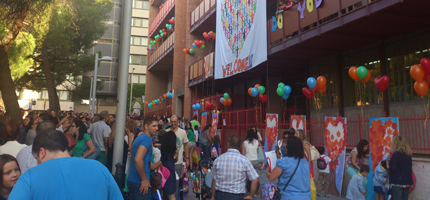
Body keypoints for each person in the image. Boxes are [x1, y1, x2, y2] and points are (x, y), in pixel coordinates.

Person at [8, 130, 123, 199]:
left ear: (42, 152)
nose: (37, 162)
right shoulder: (99, 169)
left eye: (36, 157)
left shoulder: (29, 177)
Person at [211, 135, 259, 200]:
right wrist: (251, 195)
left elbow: (214, 179)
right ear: (239, 146)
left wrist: (213, 196)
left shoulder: (218, 159)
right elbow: (255, 180)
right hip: (236, 196)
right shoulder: (244, 160)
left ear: (228, 144)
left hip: (219, 195)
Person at [128, 116, 162, 200]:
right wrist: (144, 179)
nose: (156, 128)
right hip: (139, 182)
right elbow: (138, 159)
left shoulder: (140, 137)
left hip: (133, 180)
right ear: (146, 126)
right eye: (154, 126)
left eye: (157, 126)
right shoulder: (146, 139)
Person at [167, 115, 189, 198]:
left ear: (178, 122)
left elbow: (186, 145)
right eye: (172, 122)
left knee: (176, 184)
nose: (173, 123)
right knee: (168, 184)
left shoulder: (182, 132)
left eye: (175, 122)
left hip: (178, 162)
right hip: (168, 163)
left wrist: (187, 158)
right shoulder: (167, 132)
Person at [388, 135, 413, 200]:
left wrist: (389, 165)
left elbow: (393, 168)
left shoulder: (396, 154)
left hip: (397, 182)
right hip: (407, 181)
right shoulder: (408, 154)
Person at [161, 131, 178, 200]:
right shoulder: (174, 150)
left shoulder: (163, 148)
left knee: (165, 194)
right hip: (170, 173)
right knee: (171, 195)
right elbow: (175, 161)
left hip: (163, 172)